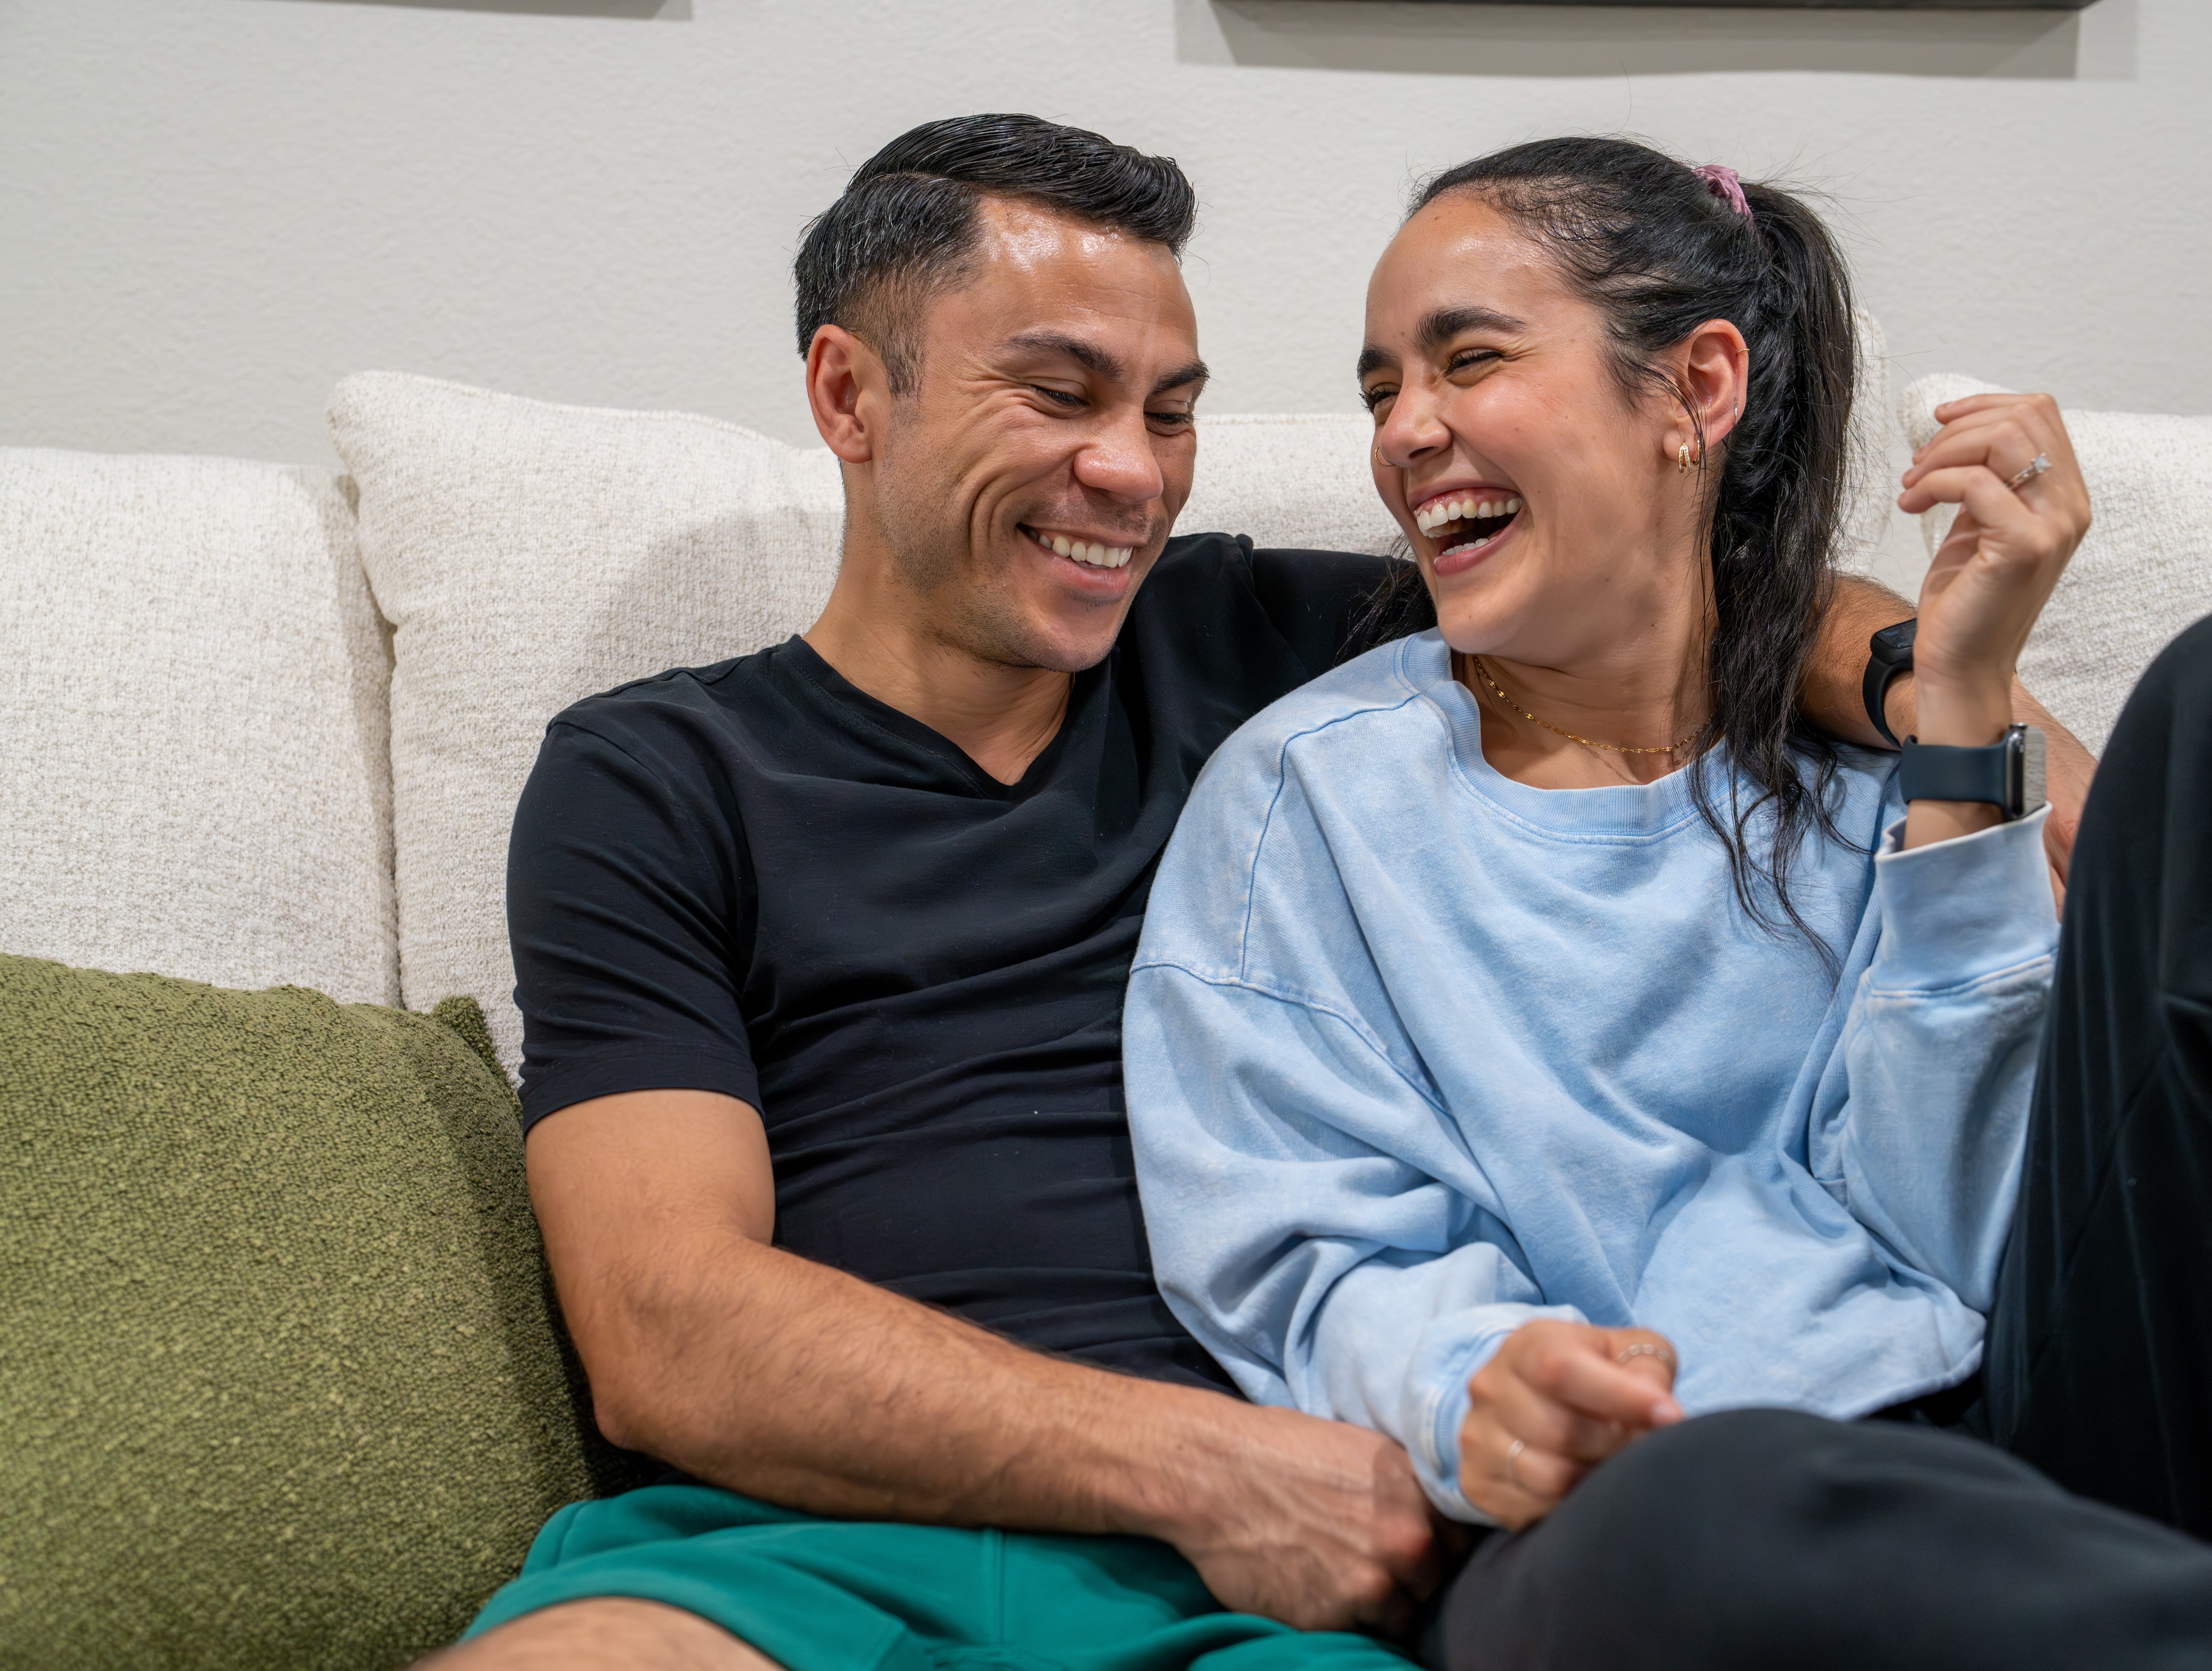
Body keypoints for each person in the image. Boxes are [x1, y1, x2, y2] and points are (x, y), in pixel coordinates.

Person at [430, 116, 2078, 1670]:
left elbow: (1687, 595)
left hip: (1262, 1603)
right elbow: (664, 1324)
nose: (1132, 476)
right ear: (851, 395)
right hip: (818, 1541)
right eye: (1060, 394)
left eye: (1168, 409)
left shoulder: (1256, 652)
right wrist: (1205, 1468)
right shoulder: (658, 774)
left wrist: (2009, 741)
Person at [1122, 137, 2212, 1668]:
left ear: (1698, 390)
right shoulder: (1304, 803)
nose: (1407, 431)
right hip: (1644, 1504)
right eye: (1384, 387)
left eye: (1470, 360)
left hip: (2054, 1402)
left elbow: (1961, 1228)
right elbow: (1308, 1255)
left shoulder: (1884, 733)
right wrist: (1475, 1386)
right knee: (1707, 1502)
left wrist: (1967, 725)